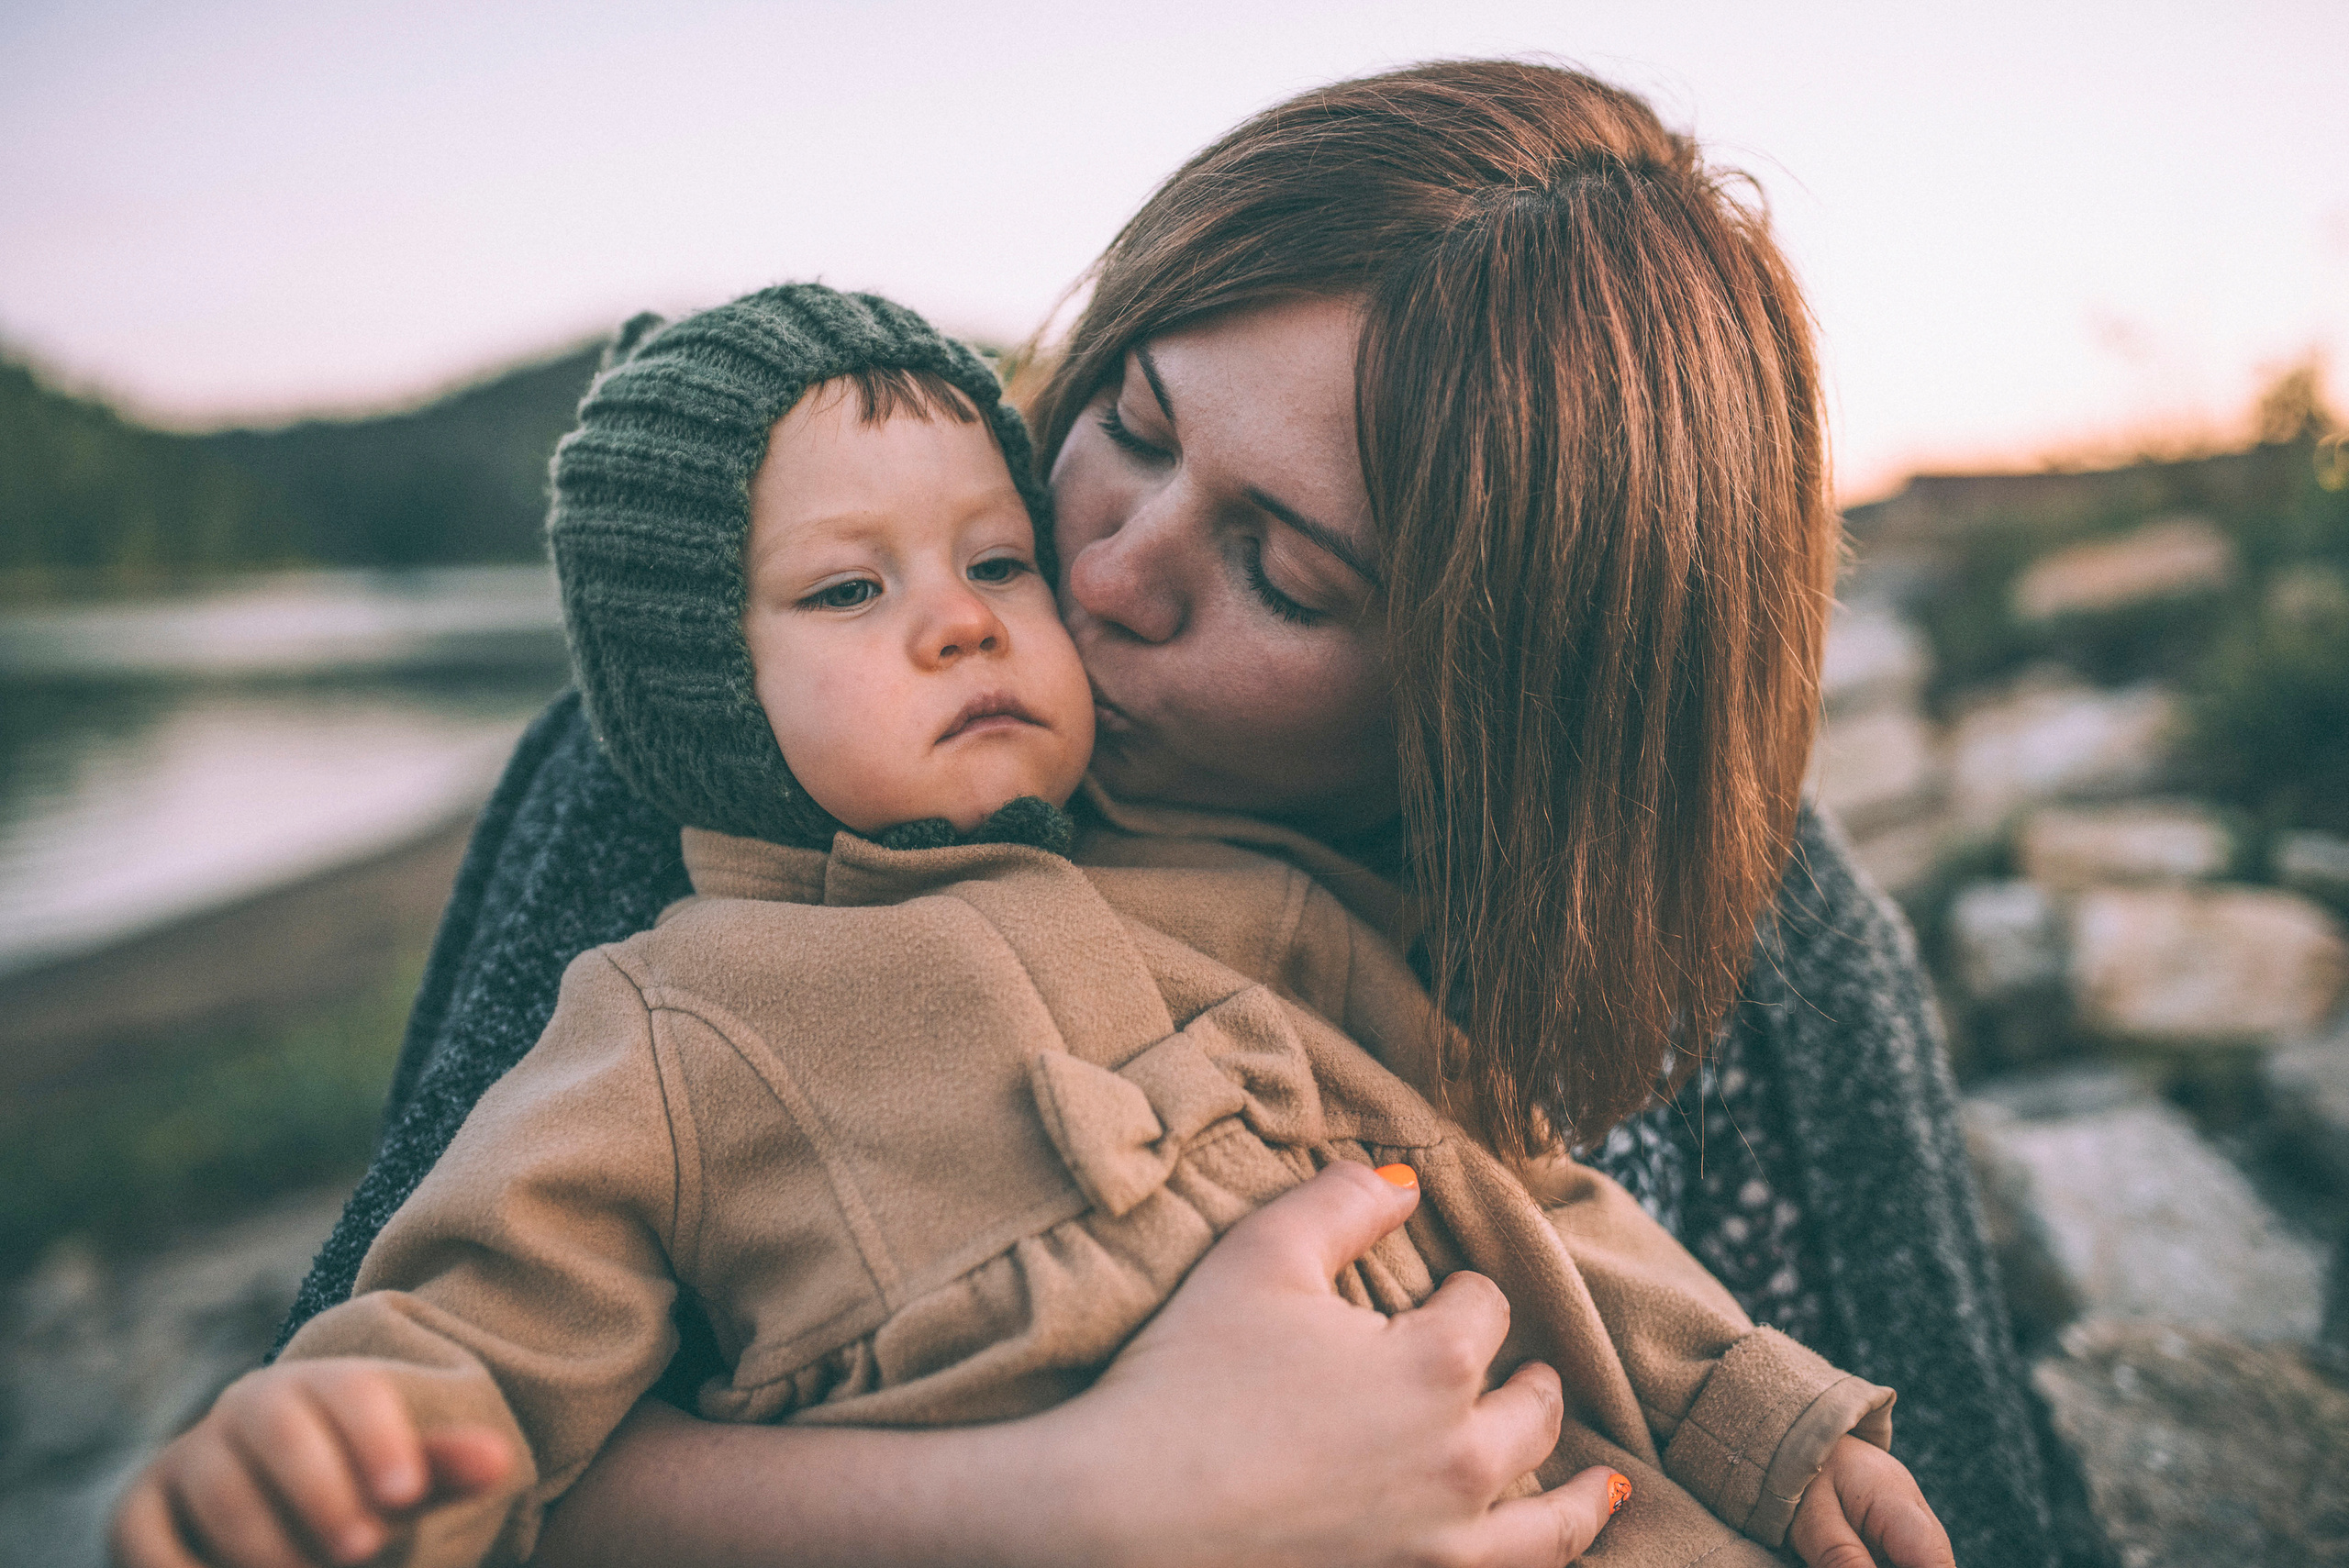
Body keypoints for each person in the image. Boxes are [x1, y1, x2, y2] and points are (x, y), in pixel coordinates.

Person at [213, 59, 2056, 1568]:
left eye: (1283, 573)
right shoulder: (738, 764)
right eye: (1140, 424)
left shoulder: (1759, 961)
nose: (1103, 573)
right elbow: (404, 1415)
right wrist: (1072, 1506)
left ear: (1490, 720)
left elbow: (1937, 1488)